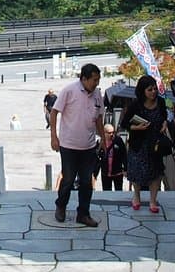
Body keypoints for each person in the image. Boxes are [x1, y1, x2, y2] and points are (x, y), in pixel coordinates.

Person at [50, 63, 104, 227]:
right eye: (94, 80)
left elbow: (99, 119)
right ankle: (61, 205)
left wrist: (103, 139)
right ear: (84, 79)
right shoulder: (69, 90)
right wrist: (54, 137)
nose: (96, 83)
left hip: (88, 146)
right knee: (68, 179)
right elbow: (54, 112)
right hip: (68, 145)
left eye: (98, 80)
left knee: (87, 181)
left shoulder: (97, 95)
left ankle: (83, 213)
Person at [122, 75, 169, 211]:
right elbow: (125, 123)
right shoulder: (135, 105)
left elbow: (164, 116)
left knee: (156, 172)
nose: (153, 92)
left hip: (155, 144)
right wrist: (137, 127)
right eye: (150, 89)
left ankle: (153, 201)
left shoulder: (160, 102)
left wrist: (165, 123)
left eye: (155, 89)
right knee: (137, 173)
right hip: (139, 143)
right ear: (143, 91)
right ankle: (136, 196)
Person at [95, 123, 127, 191]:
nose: (111, 134)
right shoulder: (100, 142)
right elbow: (97, 158)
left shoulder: (118, 140)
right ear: (104, 133)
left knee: (118, 192)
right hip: (105, 173)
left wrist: (125, 169)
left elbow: (124, 155)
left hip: (117, 172)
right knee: (106, 192)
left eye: (113, 132)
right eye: (109, 133)